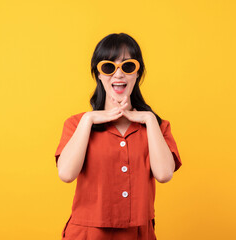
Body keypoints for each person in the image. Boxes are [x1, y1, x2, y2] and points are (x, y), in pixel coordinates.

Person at [54, 32, 182, 240]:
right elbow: (66, 174)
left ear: (138, 73)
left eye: (128, 66)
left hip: (138, 234)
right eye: (109, 67)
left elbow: (164, 174)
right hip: (87, 234)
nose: (118, 75)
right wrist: (89, 119)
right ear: (98, 74)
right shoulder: (77, 124)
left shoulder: (157, 126)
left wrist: (149, 119)